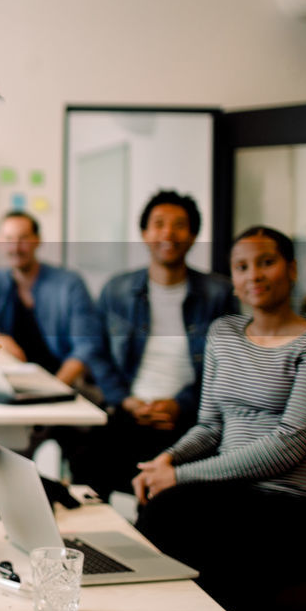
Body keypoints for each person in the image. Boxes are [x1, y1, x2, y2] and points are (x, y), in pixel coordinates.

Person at [129, 226, 306, 611]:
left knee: (168, 517)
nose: (255, 275)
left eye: (267, 262)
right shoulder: (225, 334)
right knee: (162, 526)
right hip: (233, 500)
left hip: (299, 512)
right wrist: (168, 459)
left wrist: (181, 478)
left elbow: (287, 446)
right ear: (232, 278)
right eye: (242, 266)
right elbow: (209, 426)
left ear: (292, 270)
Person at [70, 189, 235, 500]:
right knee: (86, 467)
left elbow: (226, 364)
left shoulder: (219, 294)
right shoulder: (116, 290)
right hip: (129, 411)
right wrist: (127, 401)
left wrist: (179, 404)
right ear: (145, 234)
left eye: (179, 225)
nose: (168, 233)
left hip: (190, 419)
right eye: (159, 224)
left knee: (178, 501)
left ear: (194, 234)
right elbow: (97, 352)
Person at [0, 210, 117, 390]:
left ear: (37, 240)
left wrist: (54, 388)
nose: (15, 247)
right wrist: (0, 339)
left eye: (23, 238)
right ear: (0, 243)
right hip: (12, 384)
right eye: (9, 239)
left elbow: (87, 346)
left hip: (63, 383)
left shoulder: (69, 284)